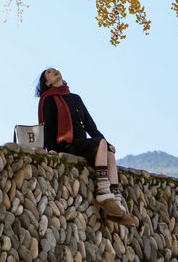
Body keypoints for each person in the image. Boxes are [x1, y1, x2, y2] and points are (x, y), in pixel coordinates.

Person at [36, 67, 138, 227]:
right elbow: (48, 127)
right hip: (66, 145)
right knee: (100, 143)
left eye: (55, 69)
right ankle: (104, 193)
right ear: (47, 83)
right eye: (49, 72)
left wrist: (108, 144)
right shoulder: (48, 100)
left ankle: (116, 203)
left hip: (81, 144)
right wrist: (52, 148)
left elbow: (91, 127)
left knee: (109, 153)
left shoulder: (75, 98)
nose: (54, 71)